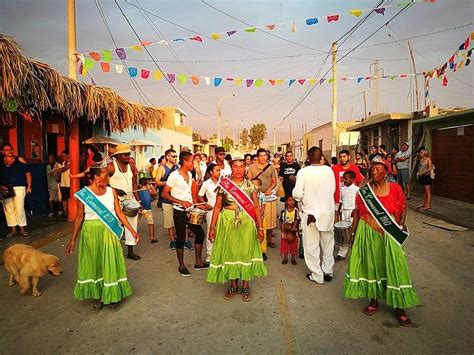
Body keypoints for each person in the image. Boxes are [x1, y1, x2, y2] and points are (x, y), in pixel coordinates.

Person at [344, 157, 420, 327]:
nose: (374, 171)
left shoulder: (395, 188)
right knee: (372, 265)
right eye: (372, 169)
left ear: (386, 172)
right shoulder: (364, 191)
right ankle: (374, 300)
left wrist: (400, 223)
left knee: (396, 264)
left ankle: (400, 307)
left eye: (379, 169)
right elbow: (357, 212)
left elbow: (402, 207)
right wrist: (353, 233)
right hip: (367, 230)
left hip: (388, 232)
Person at [65, 163, 140, 312]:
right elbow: (79, 217)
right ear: (95, 177)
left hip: (108, 231)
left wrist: (131, 230)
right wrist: (73, 240)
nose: (108, 178)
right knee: (96, 264)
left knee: (110, 262)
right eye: (105, 175)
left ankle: (113, 296)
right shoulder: (83, 194)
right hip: (90, 233)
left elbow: (119, 213)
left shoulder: (111, 191)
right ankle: (100, 296)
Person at [206, 157, 267, 301]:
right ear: (231, 168)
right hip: (227, 221)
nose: (238, 170)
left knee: (246, 252)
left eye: (241, 166)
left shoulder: (250, 185)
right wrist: (212, 227)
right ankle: (233, 285)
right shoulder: (224, 185)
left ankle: (245, 286)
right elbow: (217, 207)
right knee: (231, 252)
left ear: (245, 168)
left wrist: (260, 228)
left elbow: (256, 207)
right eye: (236, 167)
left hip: (246, 222)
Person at [293, 146, 336, 284]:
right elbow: (333, 190)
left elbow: (297, 194)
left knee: (311, 246)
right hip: (327, 213)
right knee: (328, 244)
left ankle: (317, 275)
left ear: (308, 157)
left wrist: (304, 197)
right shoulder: (329, 170)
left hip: (311, 214)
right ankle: (328, 271)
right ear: (321, 156)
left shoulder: (303, 172)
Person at [162, 151, 208, 277]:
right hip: (179, 211)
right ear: (185, 162)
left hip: (190, 210)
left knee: (200, 233)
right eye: (192, 161)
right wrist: (181, 202)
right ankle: (181, 265)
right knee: (181, 238)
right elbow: (164, 194)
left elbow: (192, 194)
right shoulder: (174, 175)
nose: (194, 163)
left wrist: (199, 204)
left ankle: (198, 262)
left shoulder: (189, 174)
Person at [107, 144, 141, 260]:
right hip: (114, 201)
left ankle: (130, 251)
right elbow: (101, 182)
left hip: (129, 200)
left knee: (132, 225)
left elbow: (134, 183)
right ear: (117, 156)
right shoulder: (111, 167)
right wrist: (115, 190)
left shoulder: (131, 166)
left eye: (128, 154)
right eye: (125, 155)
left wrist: (138, 200)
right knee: (115, 226)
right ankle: (113, 251)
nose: (128, 157)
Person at [247, 148, 278, 257]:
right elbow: (249, 181)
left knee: (265, 224)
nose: (263, 158)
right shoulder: (251, 167)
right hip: (254, 197)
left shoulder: (271, 167)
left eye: (265, 156)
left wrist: (269, 189)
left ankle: (264, 246)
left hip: (265, 197)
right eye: (261, 156)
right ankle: (252, 247)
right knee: (253, 224)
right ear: (257, 157)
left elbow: (274, 182)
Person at [0, 143, 32, 239]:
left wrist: (29, 185)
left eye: (11, 149)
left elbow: (28, 173)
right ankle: (13, 229)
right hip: (5, 188)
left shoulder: (20, 160)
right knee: (9, 209)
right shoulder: (1, 162)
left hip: (19, 186)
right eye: (7, 149)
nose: (10, 151)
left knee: (19, 207)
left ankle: (22, 228)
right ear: (2, 152)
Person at [155, 149, 179, 249]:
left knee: (179, 219)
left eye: (176, 156)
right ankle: (172, 240)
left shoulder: (178, 167)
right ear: (167, 157)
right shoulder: (162, 168)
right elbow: (157, 182)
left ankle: (179, 238)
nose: (175, 158)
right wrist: (169, 183)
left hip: (177, 197)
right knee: (169, 221)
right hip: (166, 198)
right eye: (173, 156)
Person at [198, 163, 222, 263]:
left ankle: (221, 252)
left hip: (223, 209)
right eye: (217, 170)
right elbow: (200, 195)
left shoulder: (223, 182)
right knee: (210, 230)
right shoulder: (206, 183)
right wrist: (205, 204)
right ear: (211, 172)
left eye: (220, 170)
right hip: (211, 209)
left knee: (222, 230)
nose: (219, 172)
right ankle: (209, 254)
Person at [332, 150, 364, 222]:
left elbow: (360, 180)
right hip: (337, 200)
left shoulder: (355, 168)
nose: (342, 158)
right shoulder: (334, 169)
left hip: (352, 203)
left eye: (344, 156)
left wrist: (357, 192)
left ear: (349, 157)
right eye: (340, 157)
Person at [336, 170, 359, 262]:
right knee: (343, 232)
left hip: (352, 213)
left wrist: (355, 210)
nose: (343, 181)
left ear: (352, 179)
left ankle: (355, 252)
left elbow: (358, 202)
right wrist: (338, 210)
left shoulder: (357, 189)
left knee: (352, 232)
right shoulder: (343, 189)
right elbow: (341, 201)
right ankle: (342, 253)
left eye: (346, 179)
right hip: (344, 212)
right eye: (343, 178)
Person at [279, 196, 300, 266]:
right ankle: (285, 258)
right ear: (286, 202)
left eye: (293, 200)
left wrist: (294, 227)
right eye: (289, 200)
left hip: (293, 231)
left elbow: (297, 219)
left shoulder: (296, 211)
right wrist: (282, 230)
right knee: (284, 245)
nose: (291, 202)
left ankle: (293, 258)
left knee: (294, 245)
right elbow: (281, 221)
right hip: (285, 231)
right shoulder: (283, 212)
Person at [138, 178, 157, 243]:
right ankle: (152, 237)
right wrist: (151, 186)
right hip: (148, 209)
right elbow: (154, 193)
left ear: (139, 184)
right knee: (151, 223)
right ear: (147, 184)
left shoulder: (138, 191)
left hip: (140, 209)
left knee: (134, 222)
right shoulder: (148, 191)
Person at [56, 150, 71, 217]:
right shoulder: (63, 162)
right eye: (62, 156)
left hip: (69, 183)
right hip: (63, 183)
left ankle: (69, 212)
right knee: (64, 198)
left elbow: (64, 169)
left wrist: (56, 171)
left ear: (68, 155)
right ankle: (65, 212)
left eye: (64, 155)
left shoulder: (70, 162)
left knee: (69, 198)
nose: (63, 157)